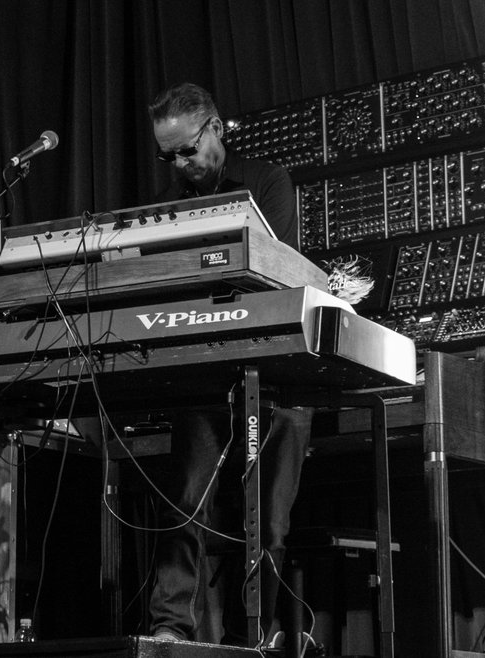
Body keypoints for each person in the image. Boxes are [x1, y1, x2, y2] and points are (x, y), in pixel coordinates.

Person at [146, 82, 312, 646]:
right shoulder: (167, 206)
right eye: (167, 155)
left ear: (216, 127)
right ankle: (169, 628)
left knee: (268, 521)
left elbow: (280, 278)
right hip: (205, 368)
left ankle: (255, 637)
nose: (180, 164)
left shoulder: (268, 184)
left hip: (276, 375)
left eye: (187, 150)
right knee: (186, 501)